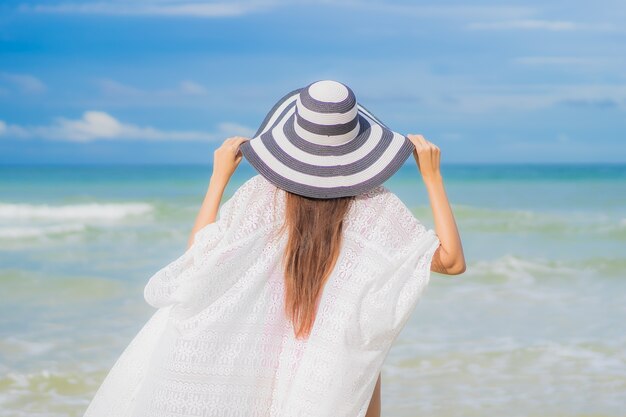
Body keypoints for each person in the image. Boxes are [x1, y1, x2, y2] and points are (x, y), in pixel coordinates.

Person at [83, 80, 465, 417]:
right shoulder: (375, 206)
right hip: (334, 364)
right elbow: (451, 262)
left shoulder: (261, 196)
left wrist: (218, 178)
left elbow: (199, 258)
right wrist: (432, 177)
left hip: (267, 356)